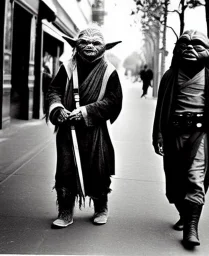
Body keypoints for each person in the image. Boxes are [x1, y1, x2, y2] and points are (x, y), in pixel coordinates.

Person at [152, 30, 209, 247]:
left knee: (195, 179)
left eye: (197, 45)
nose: (189, 49)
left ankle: (192, 228)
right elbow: (162, 108)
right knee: (175, 182)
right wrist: (158, 135)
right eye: (184, 45)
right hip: (173, 132)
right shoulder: (170, 76)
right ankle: (185, 213)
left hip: (199, 135)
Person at [46, 24, 123, 228]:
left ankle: (101, 207)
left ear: (104, 47)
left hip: (95, 129)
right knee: (65, 169)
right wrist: (58, 109)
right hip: (67, 128)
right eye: (84, 42)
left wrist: (87, 111)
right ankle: (65, 211)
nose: (89, 45)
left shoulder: (109, 72)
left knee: (99, 167)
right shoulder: (67, 67)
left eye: (95, 42)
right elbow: (54, 90)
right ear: (76, 45)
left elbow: (113, 101)